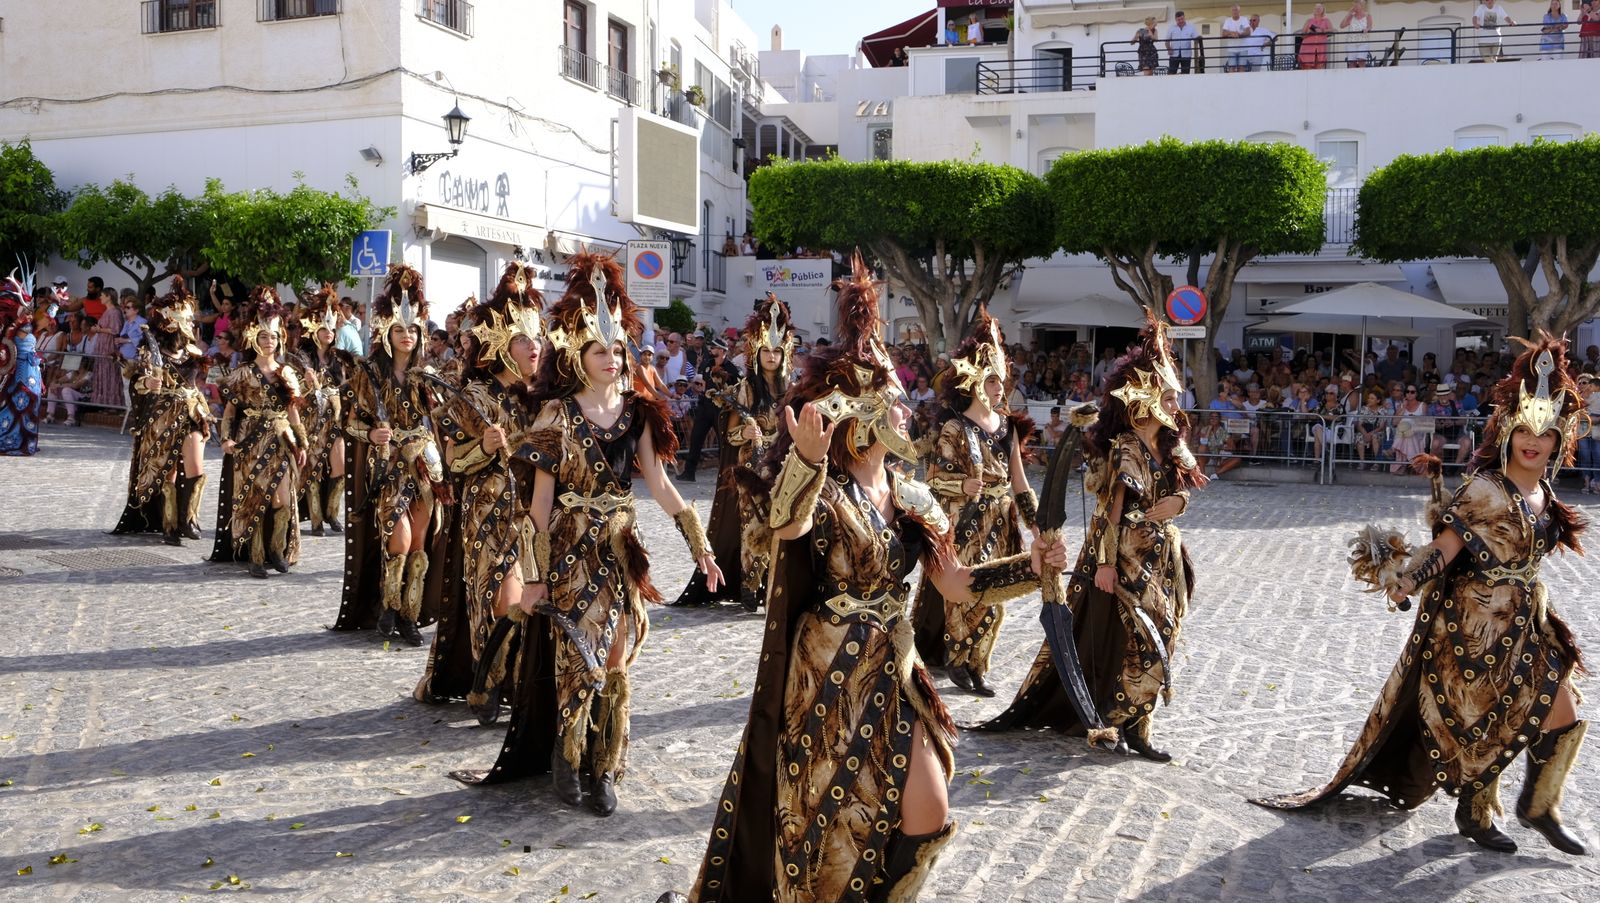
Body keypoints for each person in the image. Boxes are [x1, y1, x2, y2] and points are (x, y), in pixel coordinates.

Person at [676, 256, 1066, 901]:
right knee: (824, 825)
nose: (906, 413)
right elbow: (785, 527)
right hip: (826, 672)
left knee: (929, 808)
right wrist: (803, 459)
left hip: (896, 667)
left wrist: (1031, 567)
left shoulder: (912, 496)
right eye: (892, 404)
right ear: (858, 419)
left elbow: (958, 584)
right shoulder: (822, 493)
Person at [1256, 336, 1589, 857]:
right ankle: (1475, 812)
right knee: (1483, 725)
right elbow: (1447, 545)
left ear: (1559, 439)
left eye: (1544, 433)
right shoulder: (1484, 488)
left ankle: (1539, 806)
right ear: (1505, 431)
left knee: (1564, 710)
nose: (1533, 441)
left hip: (1527, 621)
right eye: (1524, 428)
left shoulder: (1543, 495)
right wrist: (1408, 577)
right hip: (1475, 626)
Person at [451, 252, 719, 818]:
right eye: (601, 350)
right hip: (571, 551)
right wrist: (537, 578)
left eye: (618, 349)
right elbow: (539, 507)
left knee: (618, 657)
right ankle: (567, 758)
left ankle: (604, 761)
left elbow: (663, 487)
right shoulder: (555, 416)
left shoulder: (639, 415)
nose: (612, 359)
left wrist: (701, 546)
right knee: (581, 656)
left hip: (622, 550)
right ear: (577, 354)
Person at [979, 313, 1204, 763]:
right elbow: (1110, 509)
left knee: (1164, 632)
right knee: (1133, 637)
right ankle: (1118, 719)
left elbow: (1182, 490)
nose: (1172, 401)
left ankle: (1141, 724)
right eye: (1164, 393)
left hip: (1163, 556)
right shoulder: (1126, 447)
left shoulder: (1172, 444)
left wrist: (1178, 505)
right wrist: (1103, 563)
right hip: (1125, 555)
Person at [414, 262, 544, 721]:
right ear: (503, 348)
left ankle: (518, 680)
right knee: (498, 594)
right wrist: (483, 447)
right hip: (487, 508)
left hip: (535, 512)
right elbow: (452, 461)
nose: (534, 348)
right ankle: (486, 685)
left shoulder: (544, 399)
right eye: (524, 340)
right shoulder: (474, 397)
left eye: (537, 339)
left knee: (531, 599)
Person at [913, 309, 1038, 697]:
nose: (1000, 387)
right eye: (991, 380)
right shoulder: (953, 427)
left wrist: (1035, 522)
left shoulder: (1008, 427)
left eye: (1001, 381)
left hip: (1001, 520)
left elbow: (1019, 480)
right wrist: (962, 484)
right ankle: (958, 659)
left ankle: (977, 662)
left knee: (996, 592)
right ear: (974, 383)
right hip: (963, 519)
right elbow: (933, 477)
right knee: (967, 589)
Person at [332, 264, 447, 646]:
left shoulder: (428, 374)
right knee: (397, 537)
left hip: (426, 466)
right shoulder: (368, 374)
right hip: (388, 467)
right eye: (400, 329)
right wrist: (372, 433)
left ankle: (410, 616)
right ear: (386, 332)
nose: (407, 336)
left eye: (413, 330)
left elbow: (444, 422)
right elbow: (349, 423)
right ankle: (388, 604)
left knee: (418, 543)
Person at [673, 293, 796, 611]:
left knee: (782, 526)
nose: (771, 357)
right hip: (750, 470)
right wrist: (745, 432)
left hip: (783, 468)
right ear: (757, 354)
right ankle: (748, 587)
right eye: (766, 351)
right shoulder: (745, 389)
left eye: (777, 351)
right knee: (752, 528)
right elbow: (728, 433)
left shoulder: (792, 390)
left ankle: (777, 585)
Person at [211, 290, 307, 579]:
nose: (270, 342)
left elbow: (292, 412)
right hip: (251, 440)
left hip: (280, 440)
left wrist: (302, 442)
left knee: (283, 500)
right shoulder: (242, 373)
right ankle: (255, 556)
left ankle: (277, 549)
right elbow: (229, 412)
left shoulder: (287, 372)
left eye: (274, 337)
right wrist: (226, 439)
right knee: (255, 498)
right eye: (264, 337)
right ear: (254, 338)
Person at [111, 278, 212, 545]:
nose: (190, 326)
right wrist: (148, 382)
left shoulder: (193, 352)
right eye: (186, 322)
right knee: (168, 472)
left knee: (195, 467)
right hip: (163, 414)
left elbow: (199, 382)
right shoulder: (152, 352)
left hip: (191, 411)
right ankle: (169, 524)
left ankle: (188, 518)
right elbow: (136, 379)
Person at [294, 285, 355, 538]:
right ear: (313, 330)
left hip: (336, 418)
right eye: (323, 328)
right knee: (313, 469)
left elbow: (346, 386)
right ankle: (316, 518)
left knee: (339, 467)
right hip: (311, 420)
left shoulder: (338, 358)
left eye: (332, 329)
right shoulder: (300, 357)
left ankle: (331, 512)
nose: (328, 333)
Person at [0, 275, 42, 456]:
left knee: (32, 403)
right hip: (22, 371)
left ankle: (28, 440)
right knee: (21, 402)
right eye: (27, 310)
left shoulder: (27, 325)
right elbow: (6, 346)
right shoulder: (15, 328)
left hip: (32, 368)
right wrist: (19, 323)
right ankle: (13, 441)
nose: (30, 314)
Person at [1299, 3, 1334, 69]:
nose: (1318, 9)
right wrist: (1309, 32)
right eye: (1316, 8)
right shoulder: (1309, 21)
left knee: (1319, 67)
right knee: (1307, 68)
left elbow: (1332, 30)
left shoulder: (1326, 21)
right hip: (1308, 48)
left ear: (1323, 10)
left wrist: (1322, 30)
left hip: (1320, 48)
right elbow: (1302, 35)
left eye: (1320, 8)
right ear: (1314, 10)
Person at [1340, 0, 1373, 67]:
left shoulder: (1367, 15)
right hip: (1351, 42)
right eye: (1354, 5)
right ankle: (1353, 77)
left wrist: (1367, 29)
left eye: (1357, 5)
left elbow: (1370, 26)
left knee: (1361, 60)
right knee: (1352, 63)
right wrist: (1348, 14)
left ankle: (1362, 76)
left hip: (1363, 41)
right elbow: (1342, 26)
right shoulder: (1351, 16)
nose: (1355, 6)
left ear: (1362, 6)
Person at [1221, 5, 1251, 72]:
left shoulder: (1244, 19)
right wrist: (1231, 33)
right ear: (1231, 11)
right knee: (1232, 68)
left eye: (1236, 10)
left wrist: (1240, 34)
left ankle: (1242, 82)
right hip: (1231, 49)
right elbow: (1223, 33)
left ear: (1239, 11)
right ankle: (1232, 82)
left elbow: (1248, 32)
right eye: (1233, 10)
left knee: (1242, 67)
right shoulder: (1228, 20)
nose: (1234, 11)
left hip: (1243, 48)